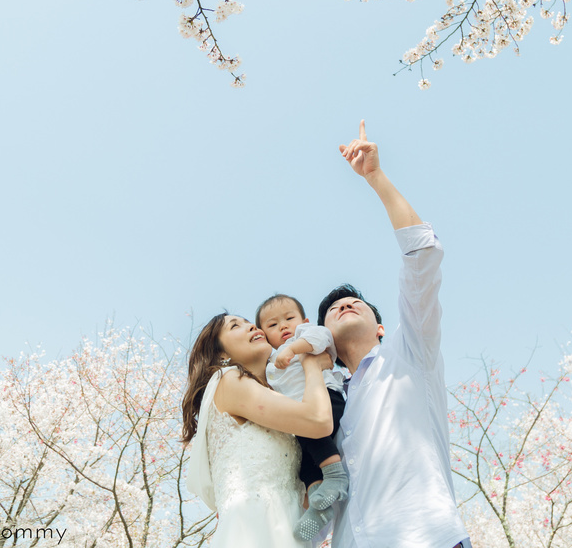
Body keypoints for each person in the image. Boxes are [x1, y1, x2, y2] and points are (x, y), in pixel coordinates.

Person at [317, 120, 471, 548]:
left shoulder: (410, 351)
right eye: (332, 310)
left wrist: (375, 177)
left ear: (382, 325)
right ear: (324, 338)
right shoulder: (323, 408)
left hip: (429, 538)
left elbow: (423, 252)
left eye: (355, 303)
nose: (344, 306)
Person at [182, 312, 334, 548]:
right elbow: (319, 421)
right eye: (235, 326)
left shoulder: (276, 398)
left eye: (249, 322)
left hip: (288, 529)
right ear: (221, 353)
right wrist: (312, 365)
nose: (251, 327)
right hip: (252, 527)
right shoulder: (228, 379)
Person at [255, 294, 349, 539]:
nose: (283, 326)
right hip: (302, 417)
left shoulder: (304, 336)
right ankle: (319, 500)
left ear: (304, 320)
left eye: (289, 318)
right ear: (264, 336)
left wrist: (295, 349)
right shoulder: (270, 362)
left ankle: (335, 476)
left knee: (312, 437)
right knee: (305, 462)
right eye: (273, 325)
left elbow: (321, 337)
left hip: (327, 399)